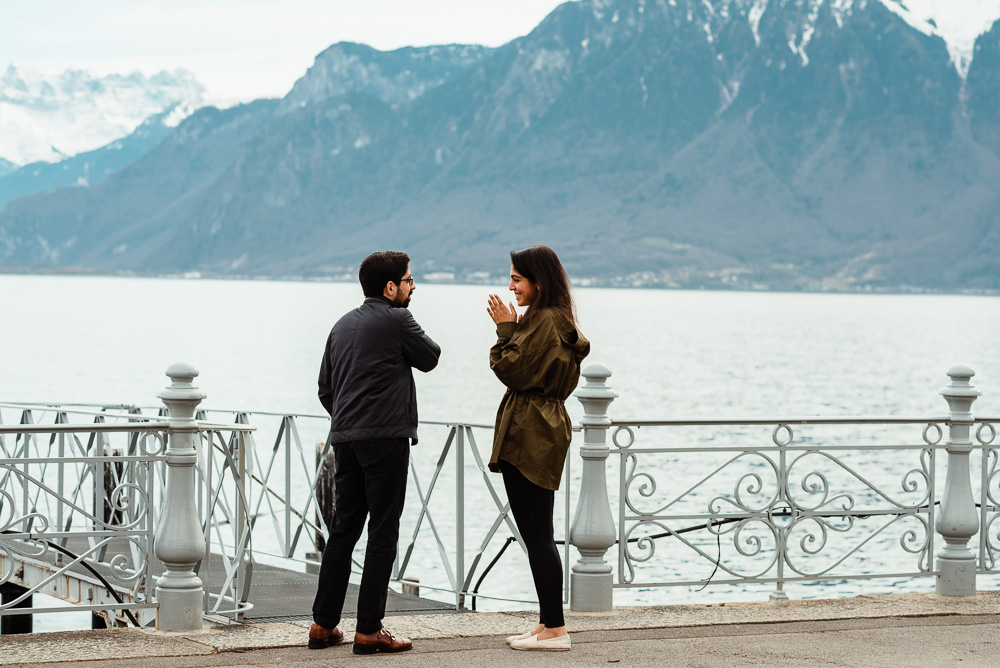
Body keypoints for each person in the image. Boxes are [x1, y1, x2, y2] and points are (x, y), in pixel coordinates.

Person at [310, 250, 441, 655]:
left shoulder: (340, 325)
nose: (413, 285)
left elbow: (325, 389)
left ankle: (323, 625)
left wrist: (351, 420)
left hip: (345, 440)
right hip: (385, 439)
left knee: (343, 530)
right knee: (383, 530)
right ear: (390, 287)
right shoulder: (399, 319)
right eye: (408, 279)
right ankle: (369, 629)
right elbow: (431, 357)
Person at [485, 245, 590, 652]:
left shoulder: (544, 320)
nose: (511, 286)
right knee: (536, 532)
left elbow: (512, 368)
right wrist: (513, 328)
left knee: (538, 533)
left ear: (539, 281)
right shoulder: (551, 318)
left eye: (517, 278)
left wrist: (506, 329)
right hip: (538, 427)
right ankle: (548, 623)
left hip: (533, 431)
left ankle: (557, 630)